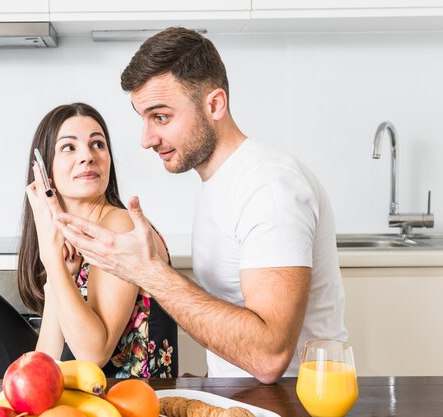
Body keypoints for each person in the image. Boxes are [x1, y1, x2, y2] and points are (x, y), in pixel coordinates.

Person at [56, 28, 348, 383]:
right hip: (237, 396)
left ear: (214, 104)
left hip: (288, 403)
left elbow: (270, 356)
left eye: (160, 117)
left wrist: (149, 272)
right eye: (143, 118)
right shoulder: (219, 182)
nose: (146, 139)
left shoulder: (269, 188)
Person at [0, 103, 178, 379]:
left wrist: (52, 259)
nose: (88, 156)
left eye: (98, 144)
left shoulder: (119, 226)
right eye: (69, 148)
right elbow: (45, 359)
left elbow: (93, 355)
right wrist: (61, 274)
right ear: (44, 171)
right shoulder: (70, 240)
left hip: (124, 402)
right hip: (79, 394)